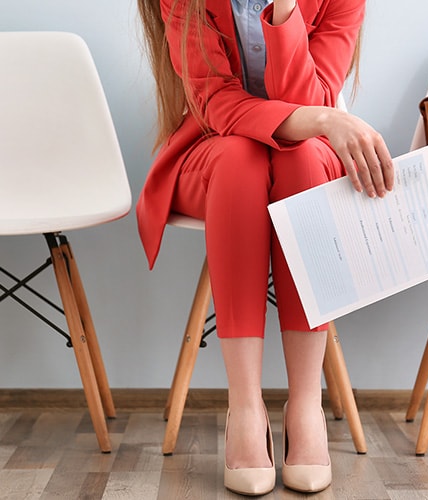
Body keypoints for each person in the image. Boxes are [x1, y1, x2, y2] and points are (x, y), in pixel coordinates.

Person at [137, 0, 393, 495]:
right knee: (241, 158)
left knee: (300, 162)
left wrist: (283, 12)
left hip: (306, 160)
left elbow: (313, 97)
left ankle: (304, 404)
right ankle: (245, 406)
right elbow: (219, 106)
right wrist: (321, 122)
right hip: (213, 153)